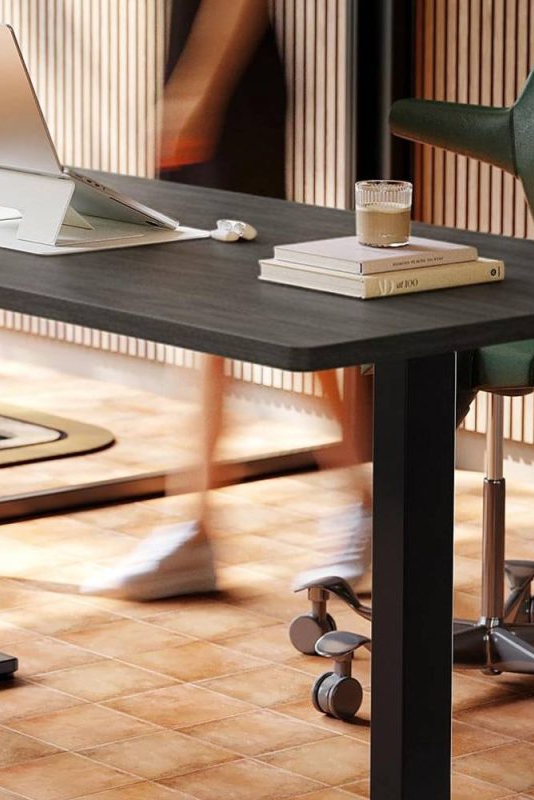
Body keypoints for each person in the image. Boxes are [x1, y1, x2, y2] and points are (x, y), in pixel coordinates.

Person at [81, 0, 373, 601]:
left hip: (229, 90)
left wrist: (199, 91)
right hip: (203, 69)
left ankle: (360, 507)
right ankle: (199, 523)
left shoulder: (211, 91)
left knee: (253, 295)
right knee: (209, 304)